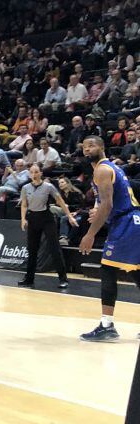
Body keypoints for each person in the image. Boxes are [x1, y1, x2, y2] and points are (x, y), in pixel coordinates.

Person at [79, 136, 140, 341]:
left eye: (92, 145)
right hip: (131, 221)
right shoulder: (108, 169)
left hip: (126, 223)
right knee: (136, 273)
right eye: (85, 147)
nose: (88, 149)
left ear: (102, 147)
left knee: (108, 269)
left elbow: (108, 204)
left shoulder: (103, 170)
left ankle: (107, 325)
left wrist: (90, 234)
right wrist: (96, 211)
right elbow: (102, 202)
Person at [18, 162, 75, 290]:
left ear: (41, 173)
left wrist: (70, 216)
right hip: (32, 218)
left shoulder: (48, 186)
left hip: (46, 218)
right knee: (32, 250)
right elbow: (24, 205)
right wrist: (23, 219)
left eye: (36, 172)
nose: (34, 174)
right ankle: (29, 278)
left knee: (54, 248)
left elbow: (60, 201)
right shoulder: (25, 188)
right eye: (32, 172)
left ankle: (63, 279)